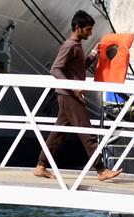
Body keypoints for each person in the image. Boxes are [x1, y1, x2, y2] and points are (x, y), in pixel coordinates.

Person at [33, 10, 122, 182]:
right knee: (87, 132)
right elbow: (55, 69)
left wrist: (95, 53)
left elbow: (79, 68)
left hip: (67, 95)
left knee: (58, 133)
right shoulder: (70, 46)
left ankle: (41, 165)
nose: (90, 32)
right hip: (69, 96)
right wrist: (73, 88)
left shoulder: (76, 46)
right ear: (78, 28)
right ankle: (101, 170)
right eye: (88, 29)